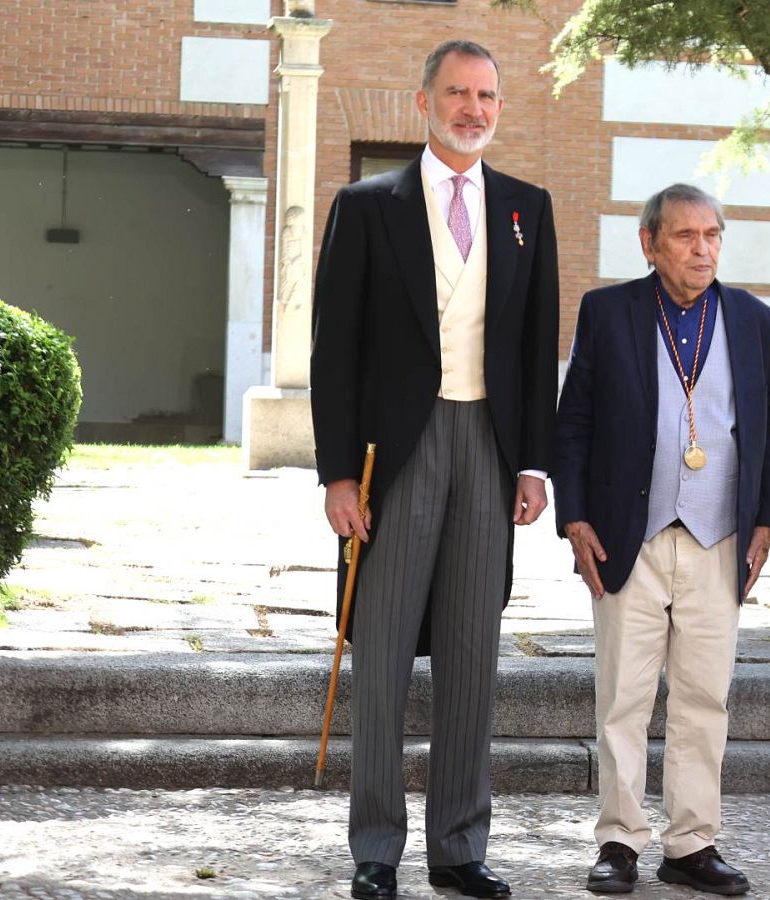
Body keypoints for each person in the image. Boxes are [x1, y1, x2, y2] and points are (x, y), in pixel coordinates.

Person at [308, 39, 559, 900]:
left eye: (487, 95)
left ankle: (459, 848)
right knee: (380, 656)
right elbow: (333, 350)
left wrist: (533, 464)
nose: (474, 109)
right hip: (396, 455)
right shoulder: (368, 205)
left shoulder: (528, 209)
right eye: (457, 92)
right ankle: (376, 847)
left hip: (488, 450)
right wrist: (338, 475)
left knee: (470, 654)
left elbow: (533, 349)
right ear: (424, 102)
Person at [552, 183, 770, 896]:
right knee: (623, 694)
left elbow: (769, 431)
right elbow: (576, 425)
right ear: (650, 243)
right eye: (685, 236)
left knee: (703, 697)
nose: (702, 248)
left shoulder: (752, 319)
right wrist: (575, 516)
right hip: (631, 534)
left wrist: (767, 522)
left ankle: (690, 844)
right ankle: (620, 840)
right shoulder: (608, 312)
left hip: (720, 536)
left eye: (712, 235)